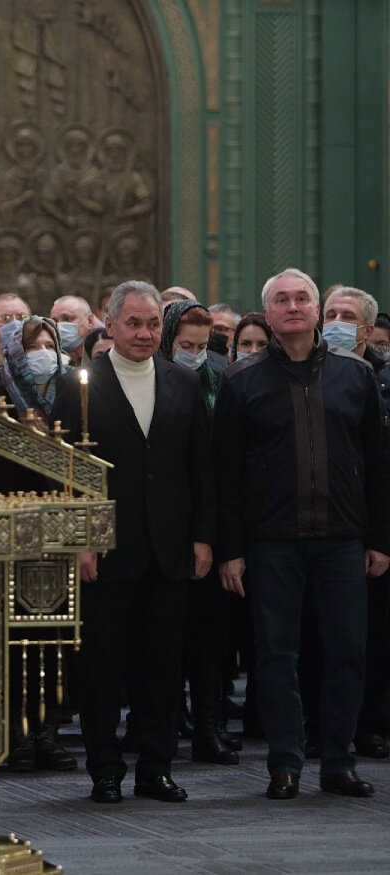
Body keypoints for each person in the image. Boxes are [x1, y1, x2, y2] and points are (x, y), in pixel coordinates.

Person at [215, 268, 390, 801]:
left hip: (342, 539)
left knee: (346, 652)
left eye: (302, 299)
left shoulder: (355, 377)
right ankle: (285, 763)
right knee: (275, 655)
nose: (293, 307)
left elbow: (378, 464)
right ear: (267, 315)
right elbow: (226, 475)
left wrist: (379, 538)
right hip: (271, 540)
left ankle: (338, 762)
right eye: (282, 301)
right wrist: (231, 551)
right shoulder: (241, 381)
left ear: (317, 310)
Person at [51, 280, 214, 805]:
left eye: (152, 325)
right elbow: (64, 473)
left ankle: (155, 768)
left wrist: (203, 539)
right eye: (134, 324)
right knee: (101, 665)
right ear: (112, 324)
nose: (144, 334)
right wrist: (79, 540)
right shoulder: (78, 384)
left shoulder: (183, 384)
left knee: (163, 666)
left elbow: (201, 471)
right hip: (104, 548)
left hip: (169, 548)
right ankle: (104, 770)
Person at [0, 316, 78, 772]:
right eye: (32, 347)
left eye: (50, 344)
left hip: (58, 530)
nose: (44, 353)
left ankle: (48, 730)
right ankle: (16, 733)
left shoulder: (70, 392)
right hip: (10, 528)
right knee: (15, 637)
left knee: (54, 637)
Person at [158, 301, 238, 766]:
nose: (194, 354)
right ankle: (166, 728)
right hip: (169, 525)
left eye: (202, 346)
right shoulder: (159, 381)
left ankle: (209, 727)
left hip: (212, 522)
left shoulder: (219, 379)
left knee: (211, 638)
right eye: (186, 345)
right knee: (167, 639)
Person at [317, 286, 390, 760]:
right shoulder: (310, 372)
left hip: (369, 524)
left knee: (372, 636)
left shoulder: (380, 378)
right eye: (331, 313)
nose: (337, 321)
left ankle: (369, 724)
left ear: (367, 329)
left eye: (348, 316)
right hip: (325, 525)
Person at [50, 295, 101, 366]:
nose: (59, 326)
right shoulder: (53, 364)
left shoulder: (104, 357)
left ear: (90, 321)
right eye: (54, 322)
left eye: (67, 319)